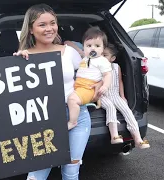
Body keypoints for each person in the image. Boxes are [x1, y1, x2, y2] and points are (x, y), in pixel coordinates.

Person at [13, 3, 102, 180]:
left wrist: (99, 83)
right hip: (43, 119)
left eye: (52, 23)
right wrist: (17, 64)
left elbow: (92, 71)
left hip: (76, 117)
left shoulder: (69, 52)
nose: (49, 29)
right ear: (31, 29)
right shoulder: (23, 57)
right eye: (42, 24)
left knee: (71, 171)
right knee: (36, 174)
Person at [101, 43, 150, 148]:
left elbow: (120, 82)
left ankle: (138, 139)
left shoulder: (115, 67)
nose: (102, 57)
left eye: (105, 55)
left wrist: (122, 96)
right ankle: (114, 136)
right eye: (100, 54)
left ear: (112, 58)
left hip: (115, 95)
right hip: (103, 96)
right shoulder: (97, 67)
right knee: (110, 107)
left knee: (128, 111)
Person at [66, 27, 112, 130]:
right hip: (78, 85)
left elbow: (107, 75)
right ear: (84, 47)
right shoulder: (85, 58)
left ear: (103, 48)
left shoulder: (102, 61)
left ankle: (73, 122)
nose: (92, 49)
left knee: (72, 99)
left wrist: (105, 86)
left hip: (88, 87)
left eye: (97, 46)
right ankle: (88, 104)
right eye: (89, 46)